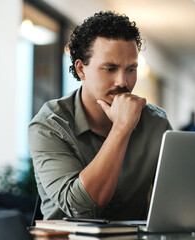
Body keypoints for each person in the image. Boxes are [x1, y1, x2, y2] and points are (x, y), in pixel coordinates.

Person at [28, 11, 172, 221]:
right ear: (81, 69)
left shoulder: (155, 123)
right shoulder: (48, 126)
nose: (123, 82)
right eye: (110, 68)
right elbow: (82, 207)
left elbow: (178, 197)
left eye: (131, 69)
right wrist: (122, 128)